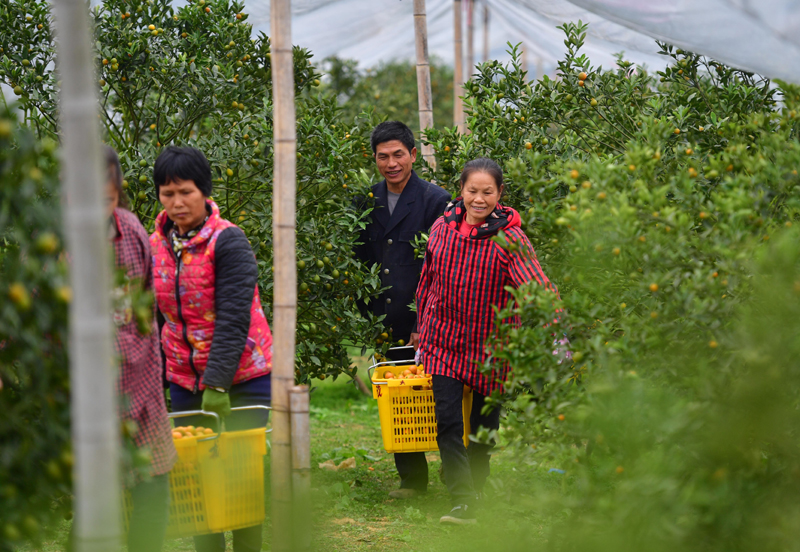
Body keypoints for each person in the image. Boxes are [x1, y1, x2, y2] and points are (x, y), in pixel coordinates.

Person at [415, 158, 561, 525]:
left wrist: (555, 326)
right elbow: (428, 279)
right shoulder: (442, 227)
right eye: (472, 191)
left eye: (487, 192)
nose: (478, 199)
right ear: (461, 189)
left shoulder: (509, 238)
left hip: (491, 348)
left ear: (500, 194)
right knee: (447, 422)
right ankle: (462, 501)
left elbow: (537, 285)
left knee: (483, 429)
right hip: (442, 341)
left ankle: (476, 483)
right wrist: (421, 327)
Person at [149, 146, 273, 552]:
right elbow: (151, 314)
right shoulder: (157, 245)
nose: (177, 202)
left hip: (242, 376)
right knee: (197, 482)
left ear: (204, 191)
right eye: (167, 193)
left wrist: (217, 385)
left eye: (185, 191)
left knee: (240, 482)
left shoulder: (228, 241)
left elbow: (235, 317)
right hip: (185, 376)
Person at [354, 121, 451, 499]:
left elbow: (442, 267)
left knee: (438, 396)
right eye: (383, 156)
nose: (391, 163)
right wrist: (365, 315)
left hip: (427, 320)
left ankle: (453, 469)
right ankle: (412, 479)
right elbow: (358, 260)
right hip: (385, 319)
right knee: (400, 401)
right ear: (374, 158)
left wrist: (425, 320)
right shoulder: (365, 201)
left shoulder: (435, 201)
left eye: (398, 154)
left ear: (412, 155)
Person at [105, 146, 177, 552]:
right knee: (101, 497)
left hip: (142, 380)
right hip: (93, 393)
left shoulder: (128, 230)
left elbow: (144, 310)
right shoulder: (56, 244)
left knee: (152, 486)